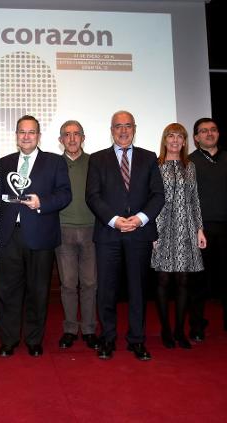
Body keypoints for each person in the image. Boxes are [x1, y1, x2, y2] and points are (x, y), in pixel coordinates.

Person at [86, 110, 164, 360]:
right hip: (109, 233)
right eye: (118, 126)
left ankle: (136, 340)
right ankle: (107, 338)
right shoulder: (98, 159)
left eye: (127, 125)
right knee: (106, 289)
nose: (123, 130)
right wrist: (114, 221)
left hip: (139, 233)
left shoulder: (149, 158)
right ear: (111, 130)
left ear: (134, 128)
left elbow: (158, 195)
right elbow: (93, 196)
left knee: (138, 290)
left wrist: (140, 219)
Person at [0, 115, 71, 357]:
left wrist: (42, 203)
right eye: (22, 132)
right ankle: (8, 340)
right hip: (9, 236)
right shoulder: (4, 163)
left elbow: (64, 195)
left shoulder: (54, 162)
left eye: (31, 132)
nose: (26, 136)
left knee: (38, 291)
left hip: (41, 235)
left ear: (38, 136)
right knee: (7, 291)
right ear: (16, 135)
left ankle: (33, 339)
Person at [188, 118, 227, 341]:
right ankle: (197, 325)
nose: (209, 134)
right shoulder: (188, 162)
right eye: (203, 131)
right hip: (201, 230)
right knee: (198, 282)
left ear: (218, 134)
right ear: (195, 138)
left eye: (213, 130)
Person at [151, 123, 206, 350]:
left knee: (184, 280)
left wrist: (199, 230)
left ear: (184, 142)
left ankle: (179, 330)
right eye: (170, 136)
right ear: (164, 141)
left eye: (179, 137)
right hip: (161, 229)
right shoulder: (154, 165)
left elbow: (195, 200)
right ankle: (165, 329)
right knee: (163, 280)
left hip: (186, 228)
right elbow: (149, 200)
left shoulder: (190, 167)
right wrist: (151, 232)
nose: (175, 140)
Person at [55, 120, 99, 350]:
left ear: (83, 137)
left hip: (92, 229)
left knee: (90, 283)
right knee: (69, 283)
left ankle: (90, 329)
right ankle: (71, 328)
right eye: (67, 135)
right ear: (60, 140)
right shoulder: (53, 164)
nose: (72, 139)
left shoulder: (95, 162)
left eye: (76, 134)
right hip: (63, 230)